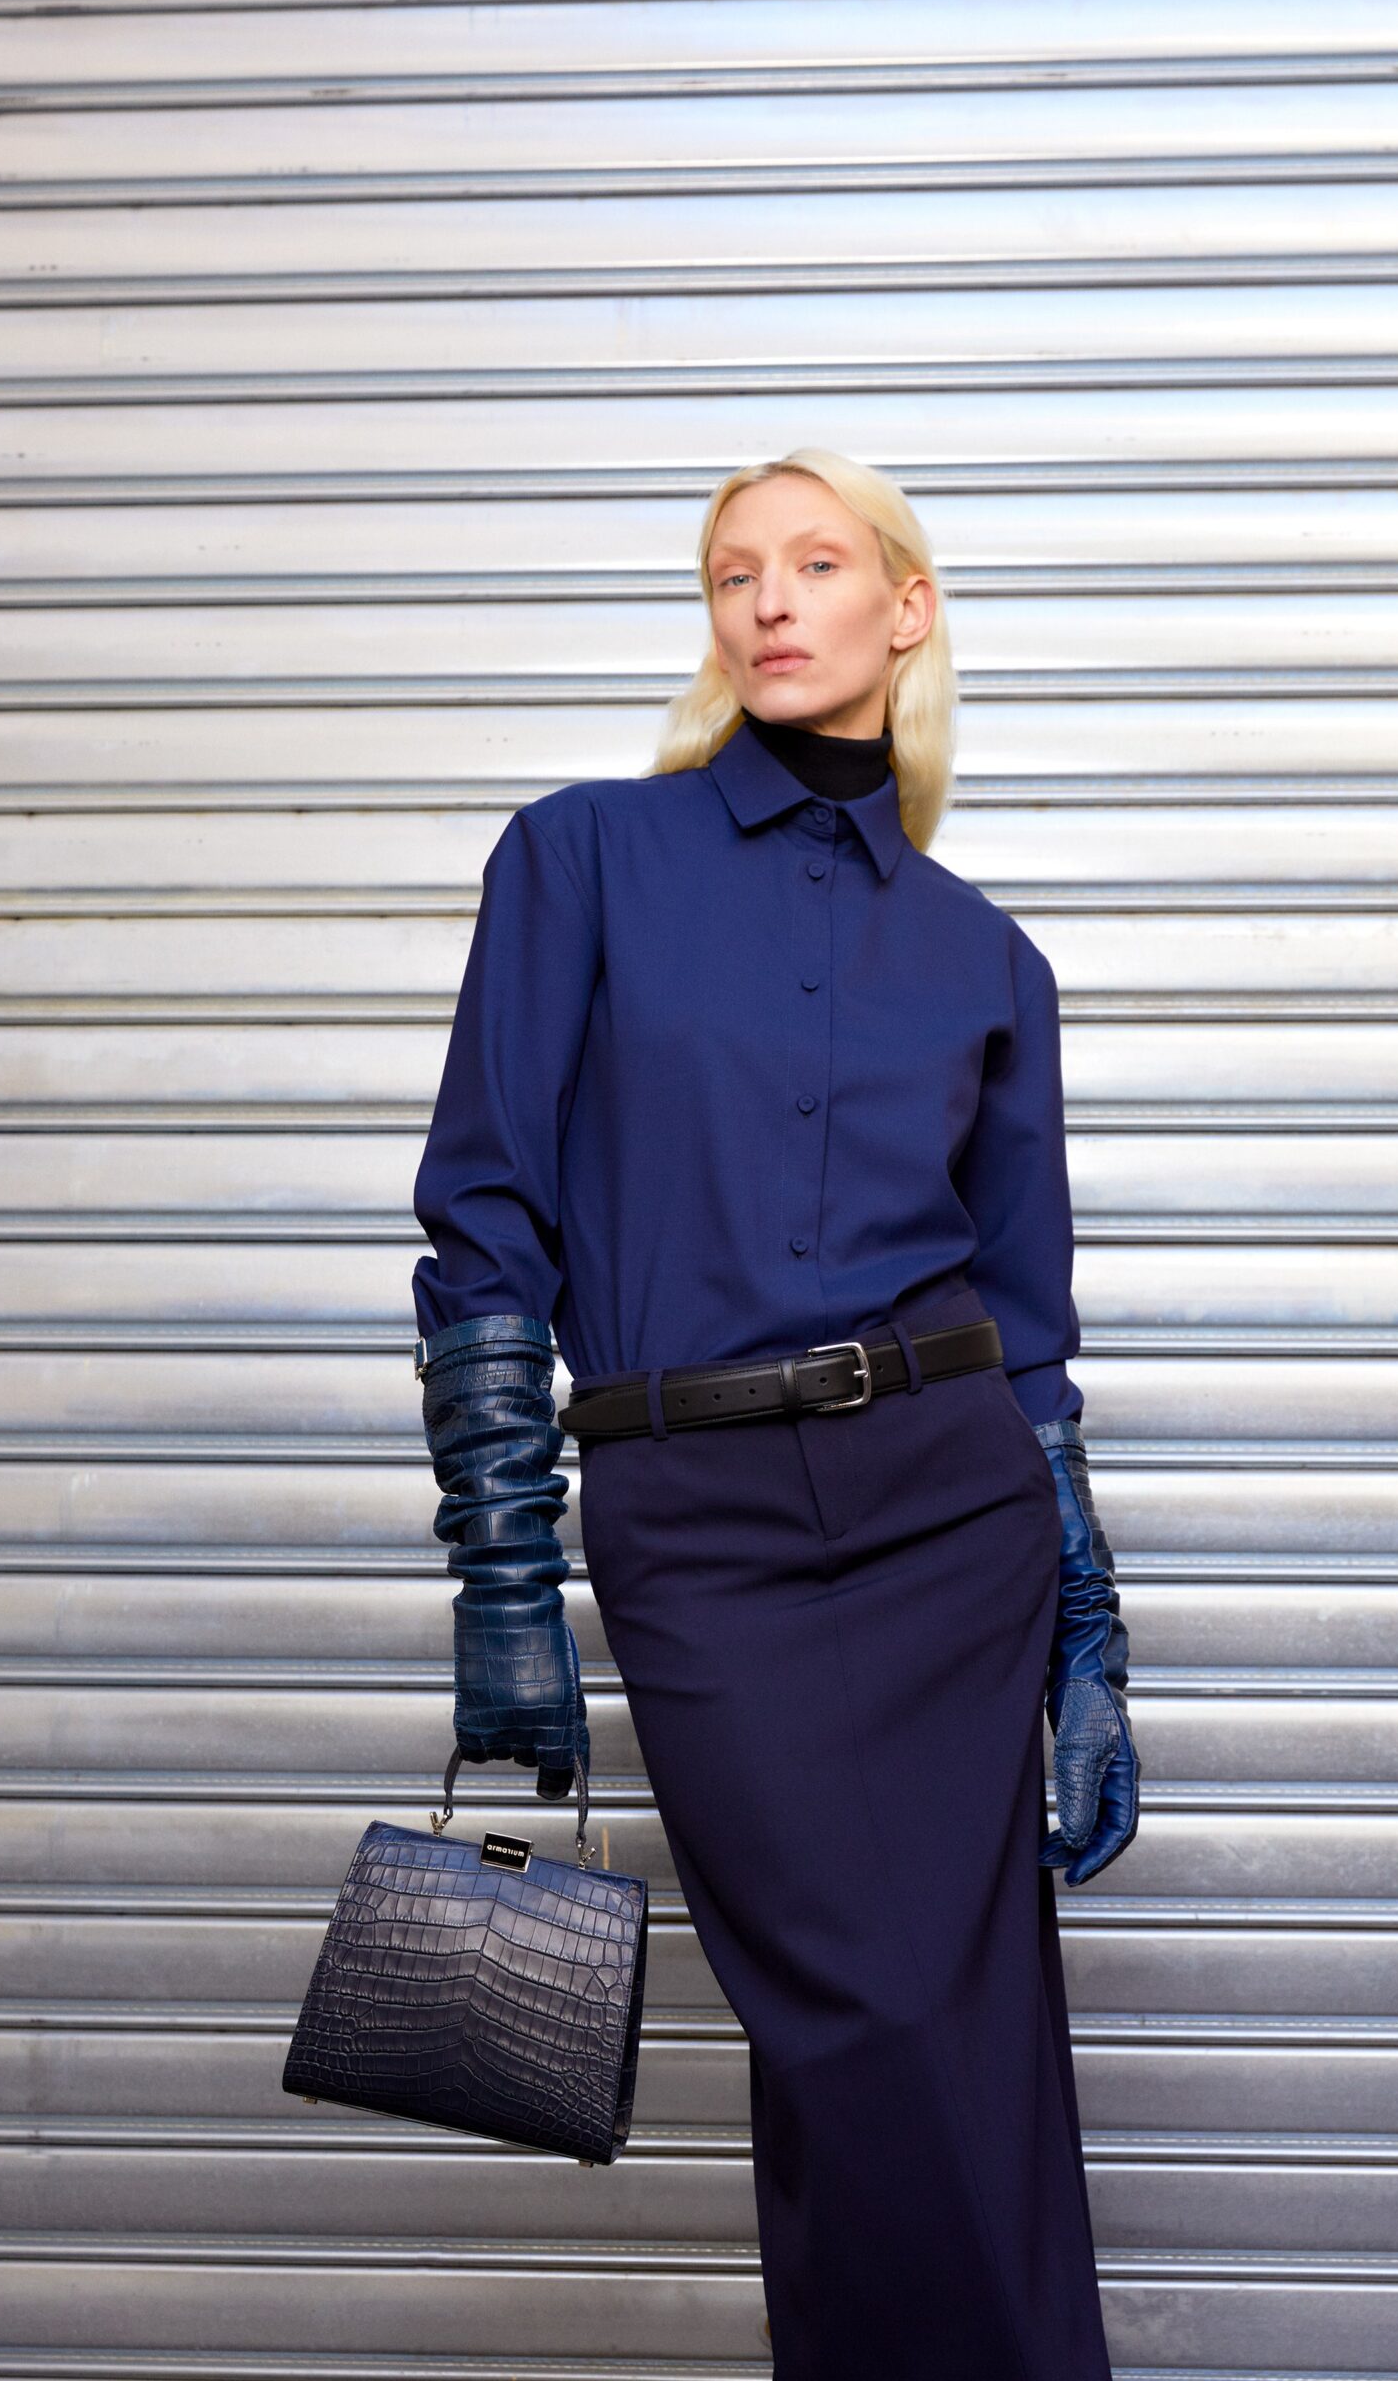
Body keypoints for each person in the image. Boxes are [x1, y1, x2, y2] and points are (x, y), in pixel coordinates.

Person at [411, 448, 1140, 2380]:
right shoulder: (577, 859)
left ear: (907, 608)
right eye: (736, 572)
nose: (769, 602)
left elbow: (1028, 1326)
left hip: (950, 1514)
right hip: (702, 1524)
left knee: (969, 2054)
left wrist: (1087, 1629)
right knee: (859, 2026)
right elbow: (484, 1224)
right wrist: (504, 1578)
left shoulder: (990, 957)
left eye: (818, 564)